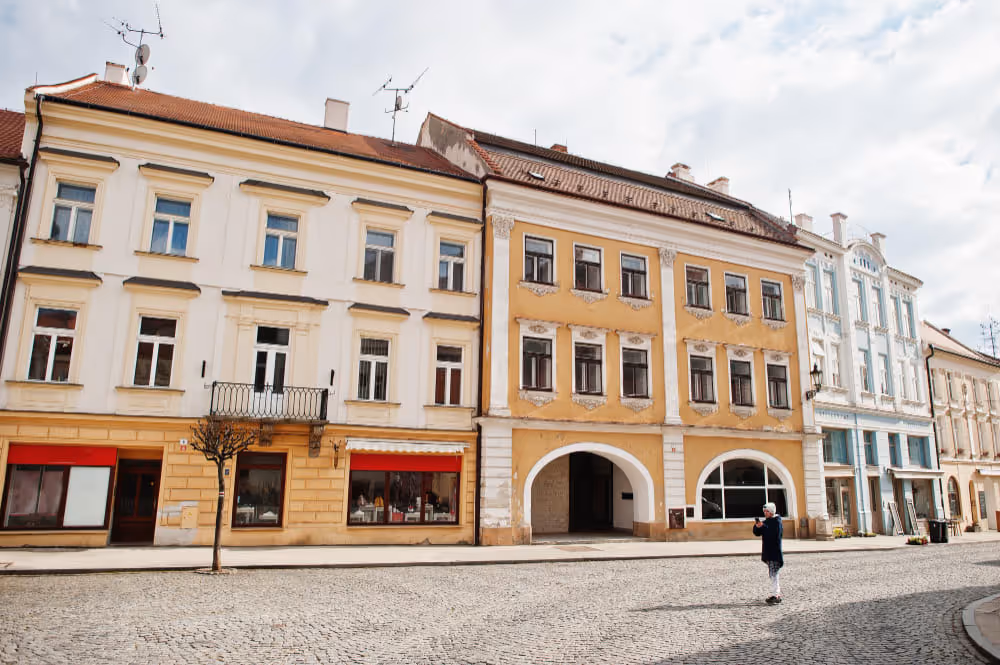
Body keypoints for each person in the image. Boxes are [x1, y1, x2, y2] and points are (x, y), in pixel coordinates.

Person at [752, 502, 783, 605]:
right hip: (769, 552)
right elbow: (757, 532)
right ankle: (775, 594)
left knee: (774, 574)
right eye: (764, 511)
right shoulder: (768, 521)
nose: (765, 513)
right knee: (772, 574)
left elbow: (774, 534)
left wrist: (763, 526)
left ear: (772, 512)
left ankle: (776, 594)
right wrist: (758, 526)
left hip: (775, 552)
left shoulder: (777, 521)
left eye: (767, 511)